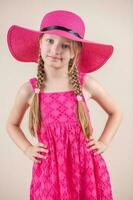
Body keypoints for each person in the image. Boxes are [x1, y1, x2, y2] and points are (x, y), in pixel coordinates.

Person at [6, 10, 122, 200]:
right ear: (40, 43)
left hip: (85, 168)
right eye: (50, 41)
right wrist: (27, 148)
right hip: (49, 171)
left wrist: (104, 142)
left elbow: (115, 111)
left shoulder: (87, 84)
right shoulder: (29, 90)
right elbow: (11, 124)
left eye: (65, 45)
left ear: (75, 51)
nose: (56, 50)